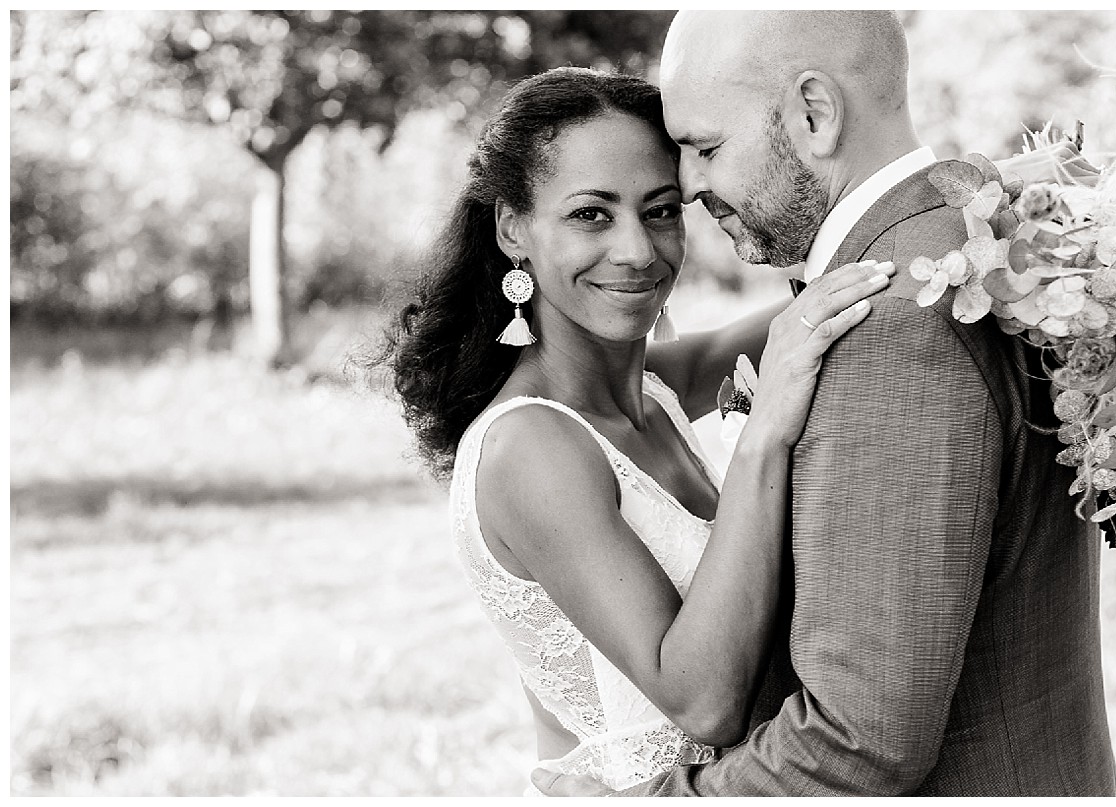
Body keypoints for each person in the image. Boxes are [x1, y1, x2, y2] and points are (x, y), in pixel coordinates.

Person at [534, 10, 1116, 797]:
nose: (691, 183)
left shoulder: (889, 326)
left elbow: (859, 739)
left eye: (706, 147)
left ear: (815, 113)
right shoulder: (978, 250)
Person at [376, 66, 892, 792]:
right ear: (512, 228)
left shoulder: (654, 386)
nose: (638, 252)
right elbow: (703, 701)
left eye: (659, 211)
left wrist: (975, 200)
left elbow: (843, 298)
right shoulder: (531, 446)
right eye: (592, 214)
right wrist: (764, 433)